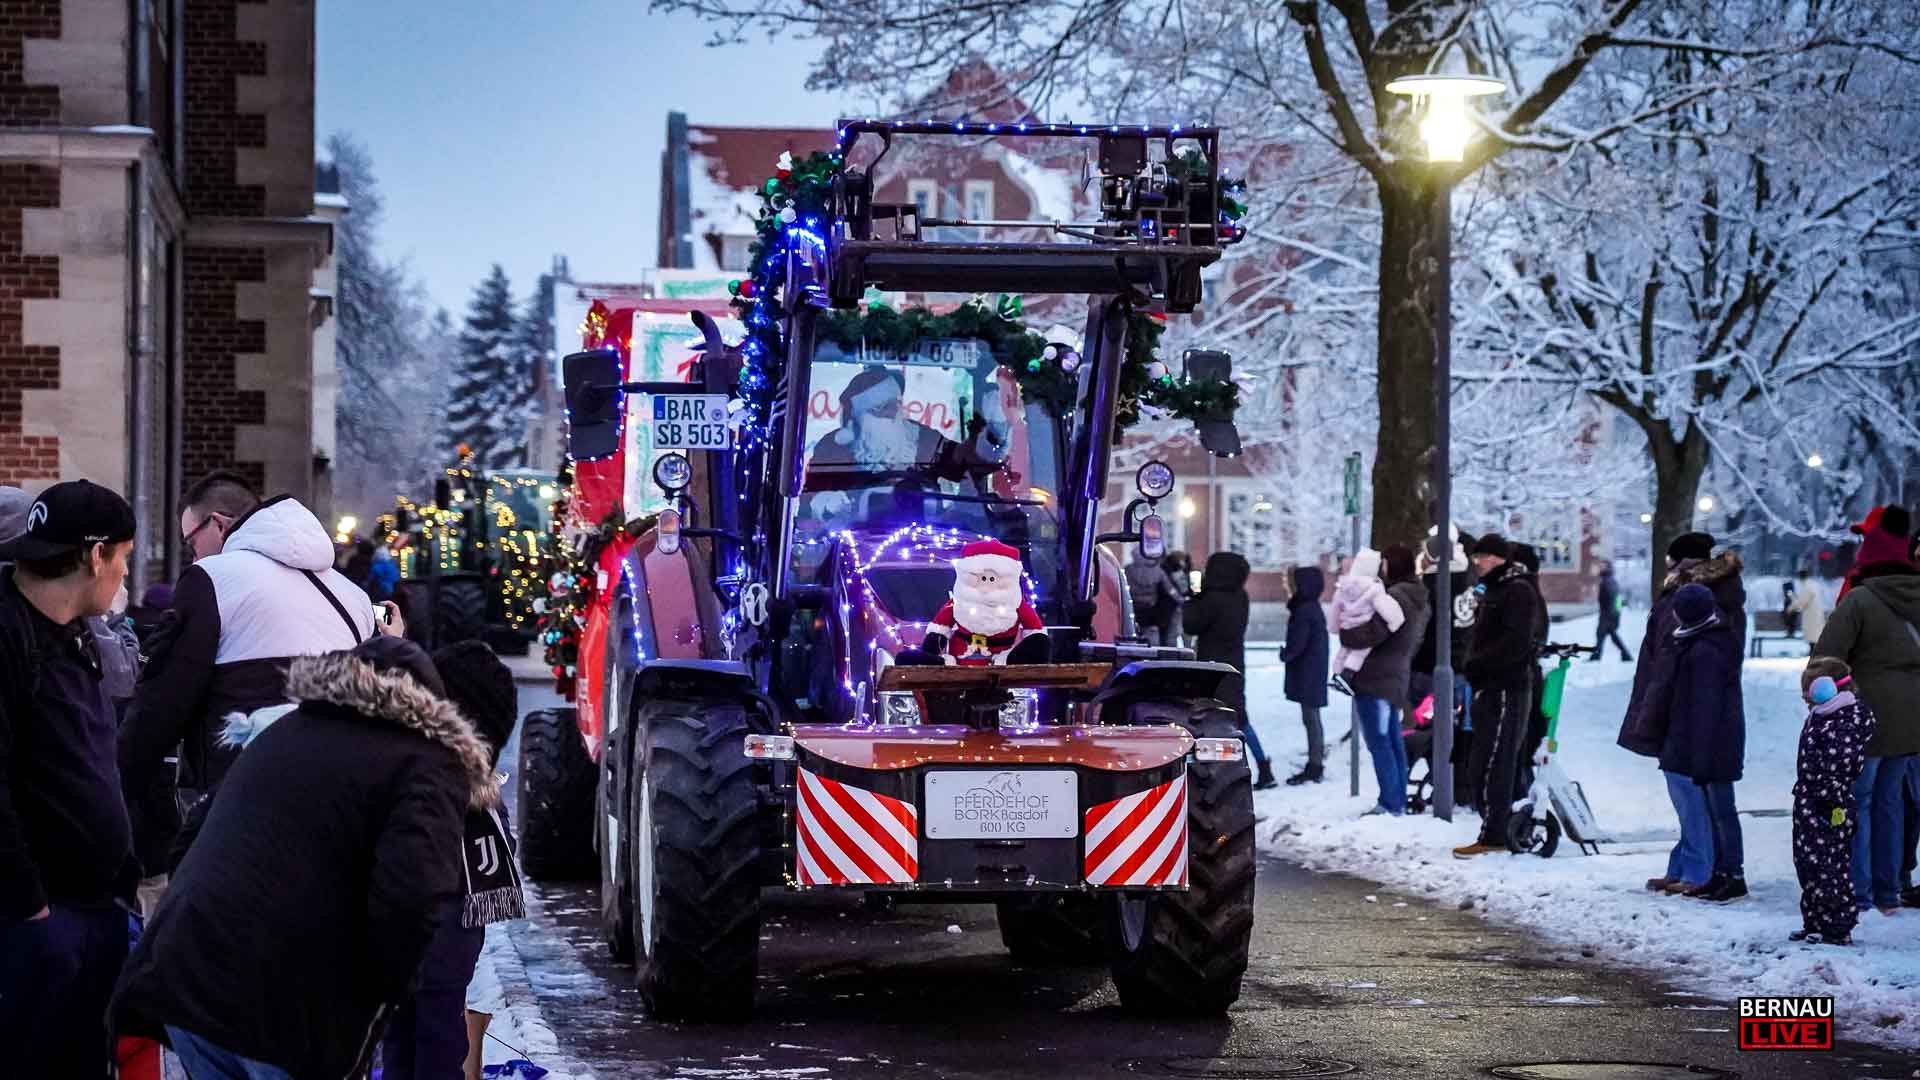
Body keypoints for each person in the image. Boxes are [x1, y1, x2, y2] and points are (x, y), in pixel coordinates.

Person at [111, 636, 494, 1079]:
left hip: (185, 983)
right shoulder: (428, 759)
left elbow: (190, 838)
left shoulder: (285, 730)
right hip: (285, 1013)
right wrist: (377, 1006)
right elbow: (411, 897)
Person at [119, 473, 391, 874]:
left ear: (218, 524)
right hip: (343, 811)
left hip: (243, 814)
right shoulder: (354, 596)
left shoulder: (212, 579)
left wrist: (116, 788)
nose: (193, 556)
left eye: (191, 542)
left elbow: (161, 706)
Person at [0, 480, 142, 1073]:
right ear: (95, 555)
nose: (124, 573)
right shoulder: (8, 635)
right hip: (37, 923)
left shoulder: (78, 633)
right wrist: (29, 906)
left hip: (96, 908)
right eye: (124, 557)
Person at [382, 642, 525, 1079]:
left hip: (408, 932)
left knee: (406, 1036)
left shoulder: (410, 770)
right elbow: (501, 850)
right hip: (446, 938)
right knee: (435, 1038)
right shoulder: (473, 792)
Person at [1618, 532, 1745, 891]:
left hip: (1682, 706)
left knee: (1689, 790)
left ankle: (1699, 868)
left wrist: (1656, 704)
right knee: (1689, 791)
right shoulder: (1708, 594)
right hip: (1678, 704)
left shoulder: (1693, 599)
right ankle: (1691, 863)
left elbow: (1670, 659)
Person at [1811, 504, 1918, 917]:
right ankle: (1890, 890)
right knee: (1892, 803)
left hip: (1866, 717)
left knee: (1860, 800)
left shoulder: (1860, 599)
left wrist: (1819, 694)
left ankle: (1860, 891)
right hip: (1912, 718)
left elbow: (1827, 658)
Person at [1655, 584, 1748, 902]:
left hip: (1713, 745)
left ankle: (1732, 874)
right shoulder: (1704, 642)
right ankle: (1721, 873)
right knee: (1716, 811)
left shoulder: (1705, 650)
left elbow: (1705, 707)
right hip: (1711, 743)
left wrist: (1700, 754)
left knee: (1722, 812)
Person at [1454, 535, 1542, 858]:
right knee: (1482, 762)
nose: (1477, 562)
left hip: (1506, 687)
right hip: (1488, 687)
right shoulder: (1493, 589)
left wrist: (1479, 663)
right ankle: (1497, 827)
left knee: (1496, 761)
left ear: (1497, 558)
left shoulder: (1517, 590)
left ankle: (1495, 834)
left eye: (1482, 556)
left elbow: (1515, 642)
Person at [1790, 657, 1875, 944]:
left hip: (1828, 805)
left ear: (1827, 688)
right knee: (1807, 864)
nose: (1805, 696)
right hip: (1809, 801)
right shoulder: (1824, 714)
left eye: (1809, 690)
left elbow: (1839, 767)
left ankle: (1836, 926)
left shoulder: (1846, 721)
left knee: (1830, 867)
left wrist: (1828, 801)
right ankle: (1815, 920)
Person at [1342, 545, 1428, 816]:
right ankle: (1397, 799)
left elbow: (1372, 633)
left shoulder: (1394, 597)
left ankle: (1390, 803)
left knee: (1380, 742)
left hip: (1375, 677)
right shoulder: (1417, 594)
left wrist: (1347, 633)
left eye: (1385, 563)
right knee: (1392, 740)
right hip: (1395, 676)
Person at [1184, 552, 1276, 789]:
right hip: (1234, 665)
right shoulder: (1240, 596)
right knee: (1239, 718)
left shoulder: (1211, 599)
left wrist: (1194, 598)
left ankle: (1213, 771)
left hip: (1211, 668)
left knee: (1207, 718)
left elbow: (1191, 625)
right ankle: (1262, 765)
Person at [1412, 525, 1478, 808]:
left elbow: (1421, 632)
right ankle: (1461, 789)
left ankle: (1444, 787)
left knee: (1432, 734)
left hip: (1431, 669)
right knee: (1463, 732)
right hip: (1464, 667)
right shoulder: (1469, 581)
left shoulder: (1431, 585)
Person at [1281, 565, 1329, 785]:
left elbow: (1298, 642)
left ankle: (1315, 765)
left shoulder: (1304, 609)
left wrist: (1286, 654)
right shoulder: (1310, 607)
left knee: (1311, 718)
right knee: (1312, 717)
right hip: (1312, 669)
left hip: (1308, 670)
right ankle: (1315, 761)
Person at [1329, 549, 1403, 683]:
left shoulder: (1343, 587)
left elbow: (1334, 611)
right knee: (1359, 653)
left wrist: (1334, 628)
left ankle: (1336, 673)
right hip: (1364, 632)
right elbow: (1389, 610)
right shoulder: (1374, 589)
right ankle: (1346, 675)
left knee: (1344, 650)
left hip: (1346, 632)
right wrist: (1395, 623)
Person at [1126, 546, 1182, 646]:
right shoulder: (1158, 571)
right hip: (1151, 611)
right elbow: (1170, 590)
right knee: (1152, 643)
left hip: (1133, 610)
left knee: (1131, 640)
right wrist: (1181, 600)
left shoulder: (1128, 570)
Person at [1592, 560, 1632, 662]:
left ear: (1607, 568)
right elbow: (1617, 599)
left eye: (1602, 566)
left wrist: (1611, 614)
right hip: (1610, 613)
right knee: (1609, 634)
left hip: (1608, 613)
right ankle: (1625, 654)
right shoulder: (1608, 579)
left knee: (1601, 633)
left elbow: (1614, 598)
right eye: (1600, 566)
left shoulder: (1608, 581)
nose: (1600, 568)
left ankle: (1597, 655)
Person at [1787, 568, 1827, 644]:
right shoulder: (1813, 584)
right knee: (1816, 636)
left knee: (1812, 637)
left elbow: (1802, 601)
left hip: (1811, 615)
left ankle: (1812, 650)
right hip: (1817, 614)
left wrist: (1790, 607)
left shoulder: (1807, 586)